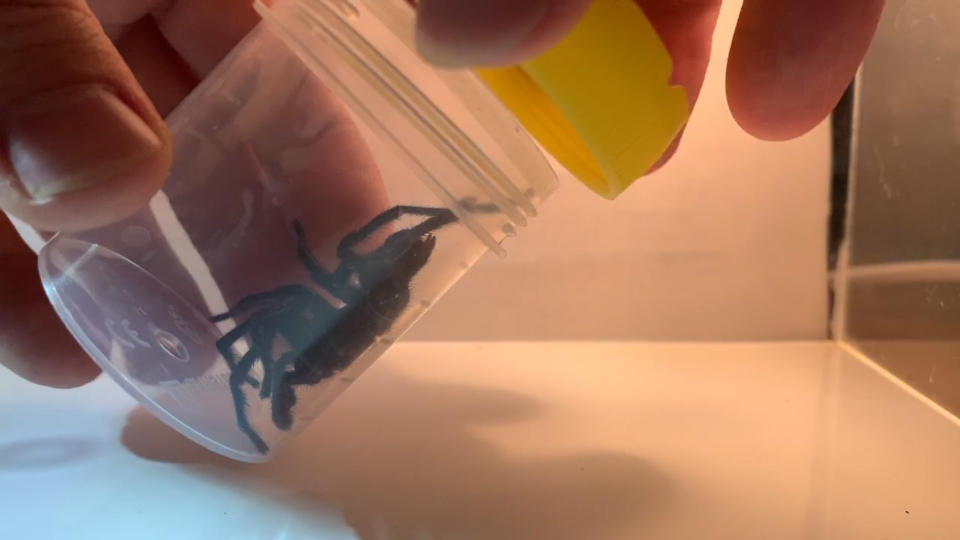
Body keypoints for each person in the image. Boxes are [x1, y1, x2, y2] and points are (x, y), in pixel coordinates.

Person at [0, 0, 884, 388]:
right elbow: (327, 284)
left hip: (355, 283)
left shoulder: (308, 314)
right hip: (355, 281)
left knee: (302, 277)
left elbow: (315, 291)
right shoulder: (321, 308)